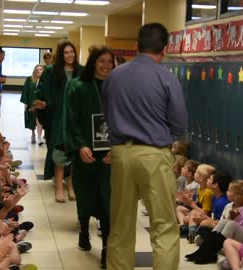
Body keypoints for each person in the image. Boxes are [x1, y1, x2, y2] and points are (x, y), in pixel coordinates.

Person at [102, 22, 188, 270]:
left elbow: (107, 116)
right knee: (164, 227)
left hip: (121, 154)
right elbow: (179, 124)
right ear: (165, 48)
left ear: (136, 46)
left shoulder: (114, 76)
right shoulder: (166, 78)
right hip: (154, 155)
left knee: (120, 226)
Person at [65, 44, 115, 269]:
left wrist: (116, 148)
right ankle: (84, 232)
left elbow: (125, 120)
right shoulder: (78, 86)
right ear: (93, 62)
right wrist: (80, 146)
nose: (106, 66)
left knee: (107, 199)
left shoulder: (116, 88)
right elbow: (71, 119)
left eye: (109, 62)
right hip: (85, 152)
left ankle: (106, 248)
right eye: (101, 61)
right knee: (85, 195)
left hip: (109, 155)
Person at [35, 40, 83, 203]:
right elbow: (44, 92)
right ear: (61, 55)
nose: (70, 55)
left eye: (72, 52)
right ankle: (59, 189)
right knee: (59, 151)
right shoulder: (52, 72)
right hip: (59, 117)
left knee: (75, 153)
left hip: (76, 118)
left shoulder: (81, 71)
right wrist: (43, 103)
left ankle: (72, 187)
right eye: (66, 53)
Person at [21, 64, 44, 144]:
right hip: (31, 103)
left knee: (39, 121)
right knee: (32, 120)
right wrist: (26, 103)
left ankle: (39, 137)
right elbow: (25, 91)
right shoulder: (29, 80)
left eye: (41, 69)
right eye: (37, 69)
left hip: (41, 105)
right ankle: (33, 134)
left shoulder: (45, 80)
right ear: (34, 71)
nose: (39, 71)